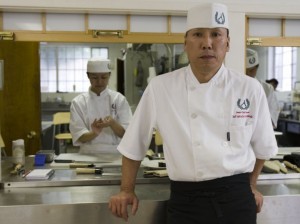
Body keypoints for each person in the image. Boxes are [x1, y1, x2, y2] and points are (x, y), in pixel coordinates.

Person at [109, 3, 278, 224]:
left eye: (216, 35)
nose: (207, 43)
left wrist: (251, 185)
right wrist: (126, 190)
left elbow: (263, 146)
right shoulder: (161, 87)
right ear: (186, 43)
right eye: (198, 34)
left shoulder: (249, 88)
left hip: (236, 200)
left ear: (227, 43)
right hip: (186, 202)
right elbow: (133, 144)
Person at [69, 58, 132, 154]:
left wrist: (112, 123)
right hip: (88, 154)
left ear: (109, 76)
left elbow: (127, 134)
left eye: (104, 77)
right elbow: (79, 136)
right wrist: (94, 133)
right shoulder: (78, 102)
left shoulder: (119, 99)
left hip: (115, 153)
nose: (99, 82)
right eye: (94, 77)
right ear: (88, 76)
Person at [246, 48, 280, 128]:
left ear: (257, 68)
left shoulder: (267, 89)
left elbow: (273, 113)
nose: (247, 74)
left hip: (260, 132)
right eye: (245, 70)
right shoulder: (234, 85)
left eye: (251, 71)